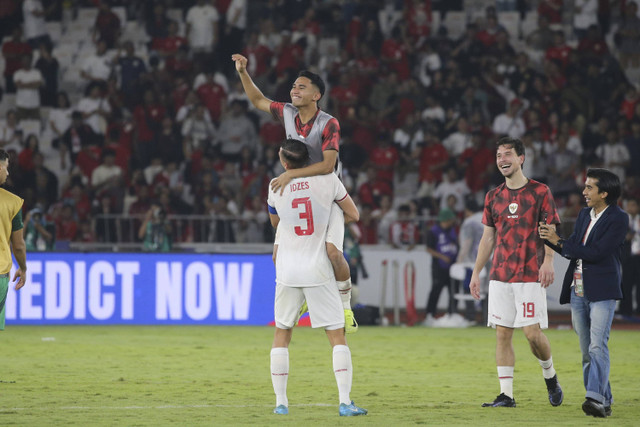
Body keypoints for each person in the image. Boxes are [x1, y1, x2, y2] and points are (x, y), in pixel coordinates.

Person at [232, 53, 358, 332]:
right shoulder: (288, 112)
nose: (294, 90)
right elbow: (257, 100)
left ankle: (346, 306)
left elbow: (327, 165)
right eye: (293, 87)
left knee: (333, 253)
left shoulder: (329, 123)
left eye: (301, 87)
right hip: (298, 195)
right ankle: (302, 298)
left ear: (317, 95)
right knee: (279, 255)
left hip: (326, 195)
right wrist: (242, 72)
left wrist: (290, 174)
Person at [266, 139, 366, 417]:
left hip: (286, 268)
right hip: (317, 269)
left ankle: (281, 403)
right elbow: (354, 214)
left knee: (282, 334)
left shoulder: (275, 185)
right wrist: (328, 217)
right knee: (336, 336)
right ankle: (345, 402)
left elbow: (276, 222)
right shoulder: (328, 180)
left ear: (285, 163)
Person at [470, 136, 563, 408]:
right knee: (503, 334)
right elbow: (488, 238)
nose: (502, 160)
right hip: (500, 275)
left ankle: (550, 375)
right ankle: (506, 395)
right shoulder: (493, 196)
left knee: (532, 334)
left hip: (530, 274)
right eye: (498, 155)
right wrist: (477, 272)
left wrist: (548, 261)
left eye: (508, 154)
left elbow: (551, 231)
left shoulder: (540, 191)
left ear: (521, 158)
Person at [539, 168, 628, 418]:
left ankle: (594, 398)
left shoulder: (619, 218)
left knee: (598, 346)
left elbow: (597, 252)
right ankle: (604, 399)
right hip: (578, 290)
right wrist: (549, 238)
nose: (584, 191)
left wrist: (561, 242)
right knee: (588, 351)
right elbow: (573, 248)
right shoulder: (583, 215)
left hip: (603, 290)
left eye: (590, 187)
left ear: (605, 193)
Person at [0, 148, 27, 330]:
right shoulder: (12, 202)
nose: (8, 173)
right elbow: (18, 245)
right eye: (6, 167)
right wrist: (23, 268)